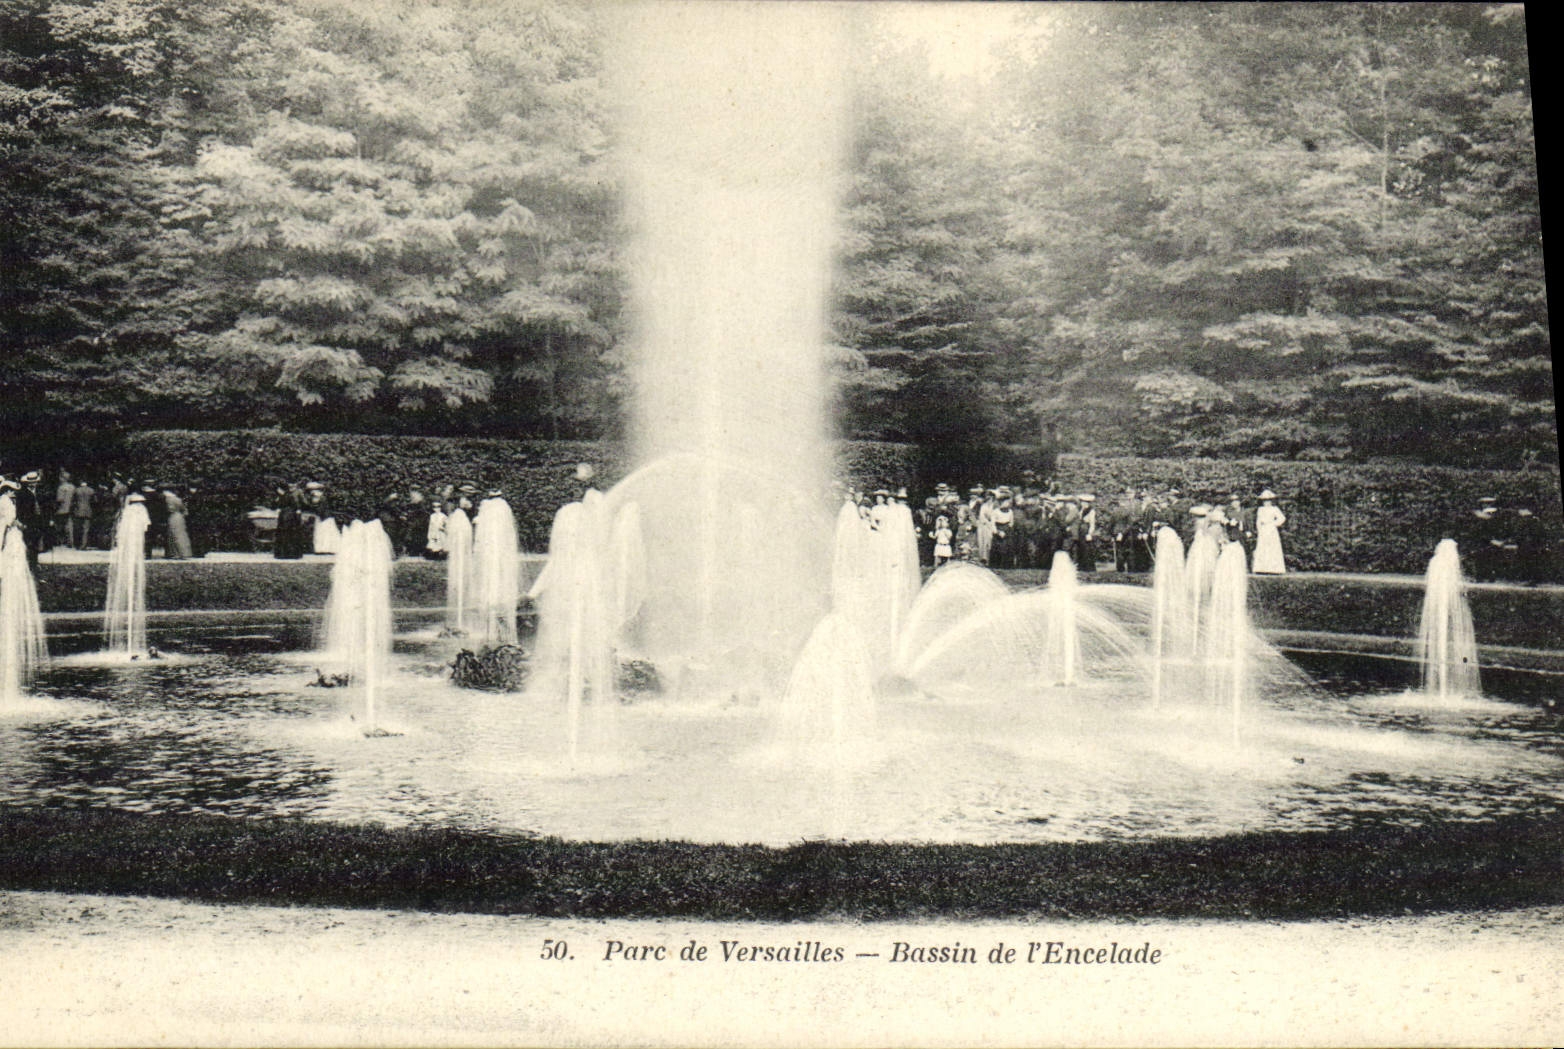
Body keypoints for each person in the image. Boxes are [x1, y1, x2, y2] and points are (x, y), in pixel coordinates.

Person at [1252, 490, 1287, 574]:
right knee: (1263, 548)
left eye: (1268, 500)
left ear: (1271, 501)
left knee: (1272, 547)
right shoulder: (1260, 509)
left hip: (1271, 530)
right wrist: (1259, 529)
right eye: (1264, 500)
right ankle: (1262, 568)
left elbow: (1282, 518)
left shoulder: (1274, 509)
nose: (1266, 502)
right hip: (1263, 530)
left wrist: (1273, 524)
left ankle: (1274, 568)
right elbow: (1258, 521)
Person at [163, 485, 193, 559]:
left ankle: (175, 553)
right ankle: (183, 553)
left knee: (173, 534)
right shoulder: (177, 499)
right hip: (178, 516)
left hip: (172, 517)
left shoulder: (167, 499)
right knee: (180, 534)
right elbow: (183, 509)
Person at [70, 476, 96, 549]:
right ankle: (84, 545)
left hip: (78, 511)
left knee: (78, 528)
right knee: (86, 529)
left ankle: (77, 544)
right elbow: (95, 501)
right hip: (88, 511)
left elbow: (73, 501)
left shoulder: (76, 490)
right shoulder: (91, 490)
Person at [53, 470, 76, 551]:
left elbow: (59, 499)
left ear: (63, 478)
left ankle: (60, 542)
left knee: (59, 527)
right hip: (70, 509)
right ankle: (71, 542)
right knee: (69, 526)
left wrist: (55, 507)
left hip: (61, 509)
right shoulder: (73, 487)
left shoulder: (61, 488)